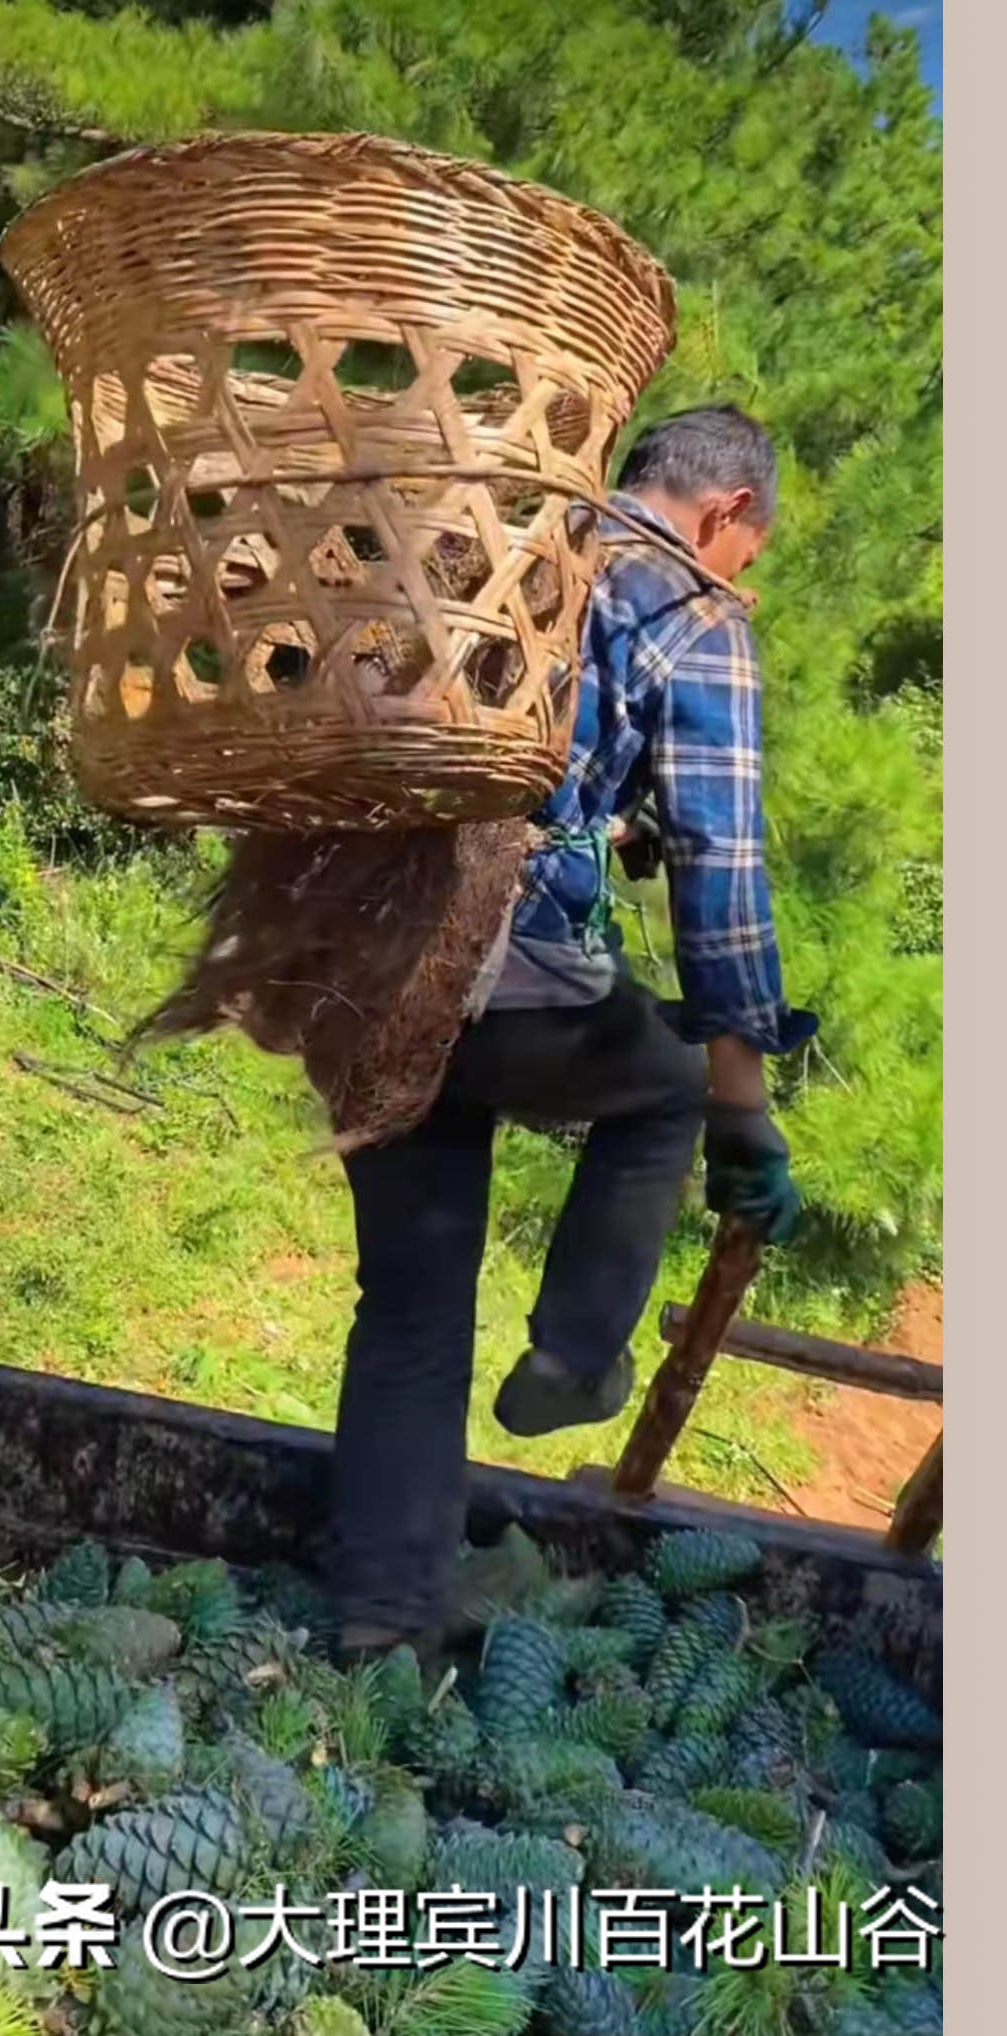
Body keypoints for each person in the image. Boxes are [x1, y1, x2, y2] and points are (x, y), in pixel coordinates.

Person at [330, 404, 816, 1663]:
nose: (740, 570)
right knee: (663, 1090)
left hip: (366, 969)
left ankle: (386, 1620)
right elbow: (721, 865)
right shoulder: (688, 607)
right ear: (724, 515)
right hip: (505, 975)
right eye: (748, 547)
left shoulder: (513, 551)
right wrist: (743, 1105)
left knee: (411, 1311)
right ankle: (573, 1351)